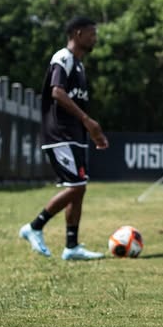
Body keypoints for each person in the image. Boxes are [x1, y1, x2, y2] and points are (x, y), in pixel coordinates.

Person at [19, 16, 109, 261]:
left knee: (79, 188)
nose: (95, 39)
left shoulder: (79, 65)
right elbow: (57, 92)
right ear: (78, 34)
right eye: (92, 34)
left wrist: (92, 131)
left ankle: (71, 246)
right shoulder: (63, 57)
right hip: (59, 134)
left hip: (74, 136)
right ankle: (35, 226)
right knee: (77, 187)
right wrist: (87, 120)